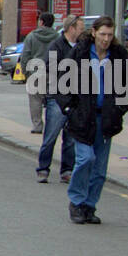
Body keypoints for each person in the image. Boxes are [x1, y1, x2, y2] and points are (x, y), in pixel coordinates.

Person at [61, 16, 128, 224]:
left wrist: (119, 109)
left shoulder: (119, 55)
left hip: (107, 118)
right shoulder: (80, 53)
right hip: (83, 117)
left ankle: (89, 206)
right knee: (86, 159)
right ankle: (76, 201)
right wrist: (68, 108)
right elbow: (62, 80)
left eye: (110, 35)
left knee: (100, 169)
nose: (106, 39)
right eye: (102, 34)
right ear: (94, 32)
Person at [36, 14, 82, 183]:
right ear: (71, 28)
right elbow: (50, 66)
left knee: (70, 138)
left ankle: (67, 170)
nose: (82, 31)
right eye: (80, 28)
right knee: (50, 136)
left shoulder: (81, 45)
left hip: (75, 96)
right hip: (57, 96)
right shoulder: (57, 45)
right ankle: (43, 168)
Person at [19, 11, 58, 134]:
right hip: (52, 72)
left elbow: (25, 55)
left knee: (35, 100)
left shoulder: (31, 36)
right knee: (52, 100)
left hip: (35, 72)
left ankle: (37, 125)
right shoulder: (57, 37)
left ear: (41, 22)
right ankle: (52, 126)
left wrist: (25, 72)